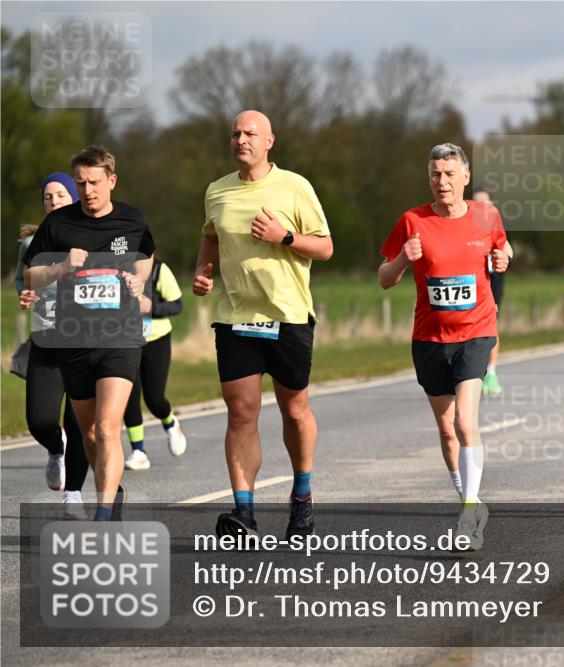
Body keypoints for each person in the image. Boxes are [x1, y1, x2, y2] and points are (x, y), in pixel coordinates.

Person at [194, 110, 333, 539]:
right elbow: (211, 236)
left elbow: (325, 247)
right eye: (235, 133)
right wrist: (203, 270)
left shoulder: (295, 186)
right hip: (236, 318)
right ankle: (244, 513)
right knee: (240, 412)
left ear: (269, 140)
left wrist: (284, 237)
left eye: (250, 134)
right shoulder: (217, 191)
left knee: (294, 409)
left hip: (288, 316)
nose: (241, 140)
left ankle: (302, 496)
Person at [379, 143, 511, 550]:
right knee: (446, 428)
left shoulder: (486, 215)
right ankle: (468, 500)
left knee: (465, 423)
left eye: (450, 174)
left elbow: (503, 246)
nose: (443, 181)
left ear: (465, 177)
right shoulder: (412, 220)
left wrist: (505, 258)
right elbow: (384, 278)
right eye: (436, 174)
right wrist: (403, 259)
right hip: (430, 339)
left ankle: (469, 515)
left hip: (475, 332)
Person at [23, 146, 154, 520]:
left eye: (94, 182)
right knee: (90, 434)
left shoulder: (133, 219)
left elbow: (147, 255)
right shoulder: (58, 223)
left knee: (108, 428)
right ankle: (112, 490)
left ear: (112, 180)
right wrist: (61, 267)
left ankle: (103, 517)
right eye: (80, 183)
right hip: (74, 339)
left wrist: (139, 280)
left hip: (120, 337)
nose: (87, 190)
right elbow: (30, 275)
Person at [14, 172, 88, 516]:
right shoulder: (32, 244)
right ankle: (56, 449)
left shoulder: (91, 237)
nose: (54, 201)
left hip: (86, 341)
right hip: (46, 337)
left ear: (74, 199)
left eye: (60, 195)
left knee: (78, 422)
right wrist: (25, 294)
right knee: (40, 420)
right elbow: (22, 280)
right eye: (48, 196)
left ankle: (73, 495)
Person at [122, 258, 188, 470]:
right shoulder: (116, 267)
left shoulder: (159, 270)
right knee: (129, 397)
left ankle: (170, 423)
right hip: (125, 341)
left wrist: (152, 306)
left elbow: (177, 305)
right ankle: (138, 451)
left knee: (154, 399)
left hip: (156, 340)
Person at [472, 188, 505, 398]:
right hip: (470, 284)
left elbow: (507, 251)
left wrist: (504, 257)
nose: (481, 208)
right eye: (476, 204)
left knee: (491, 327)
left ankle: (491, 373)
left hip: (493, 282)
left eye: (485, 203)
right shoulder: (464, 226)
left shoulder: (496, 226)